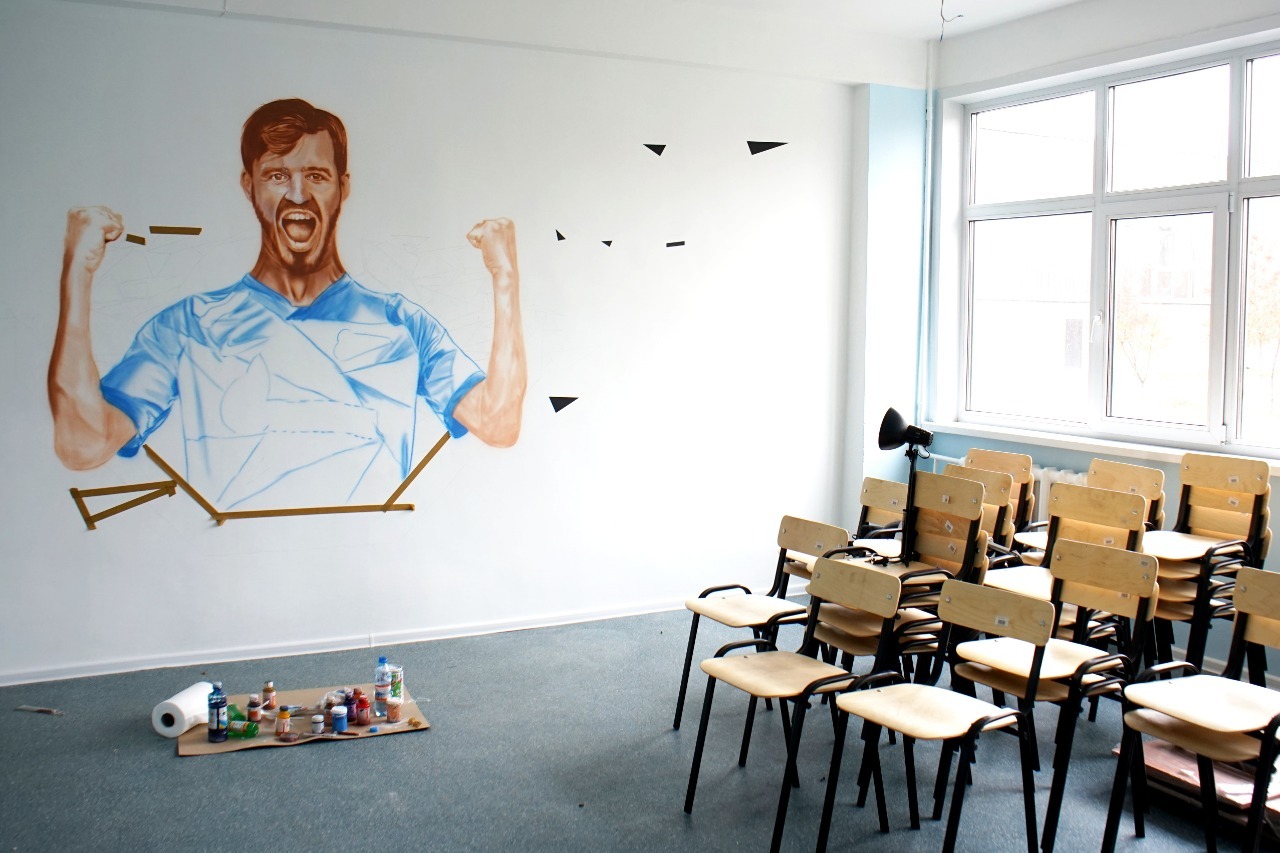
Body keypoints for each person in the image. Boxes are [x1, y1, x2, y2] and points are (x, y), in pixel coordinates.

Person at [48, 98, 526, 509]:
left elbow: (498, 423)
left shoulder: (403, 324)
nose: (298, 194)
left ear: (343, 187)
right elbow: (83, 444)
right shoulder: (189, 325)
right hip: (234, 571)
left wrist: (505, 278)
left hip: (374, 562)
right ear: (249, 186)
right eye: (277, 175)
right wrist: (77, 274)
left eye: (316, 175)